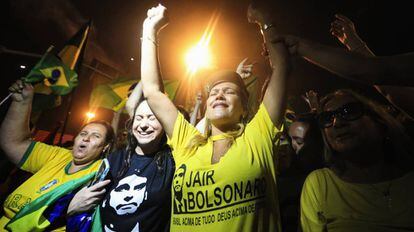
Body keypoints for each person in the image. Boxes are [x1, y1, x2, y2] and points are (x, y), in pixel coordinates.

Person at [140, 4, 290, 231]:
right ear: (207, 105)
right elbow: (152, 91)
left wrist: (265, 22)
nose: (219, 94)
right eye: (213, 92)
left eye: (229, 91)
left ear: (244, 107)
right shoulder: (186, 143)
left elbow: (281, 67)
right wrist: (149, 31)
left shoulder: (258, 136)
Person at [0, 80, 115, 231]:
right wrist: (21, 103)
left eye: (95, 136)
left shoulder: (102, 172)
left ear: (105, 146)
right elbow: (13, 143)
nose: (86, 138)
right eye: (83, 133)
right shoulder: (58, 155)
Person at [67, 79, 175, 232]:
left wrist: (151, 83)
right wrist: (73, 206)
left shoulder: (172, 161)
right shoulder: (114, 159)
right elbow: (88, 200)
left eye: (152, 118)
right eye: (139, 118)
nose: (144, 124)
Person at [300, 89, 414, 231]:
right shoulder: (320, 185)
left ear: (380, 123)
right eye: (327, 118)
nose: (337, 123)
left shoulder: (409, 181)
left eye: (349, 111)